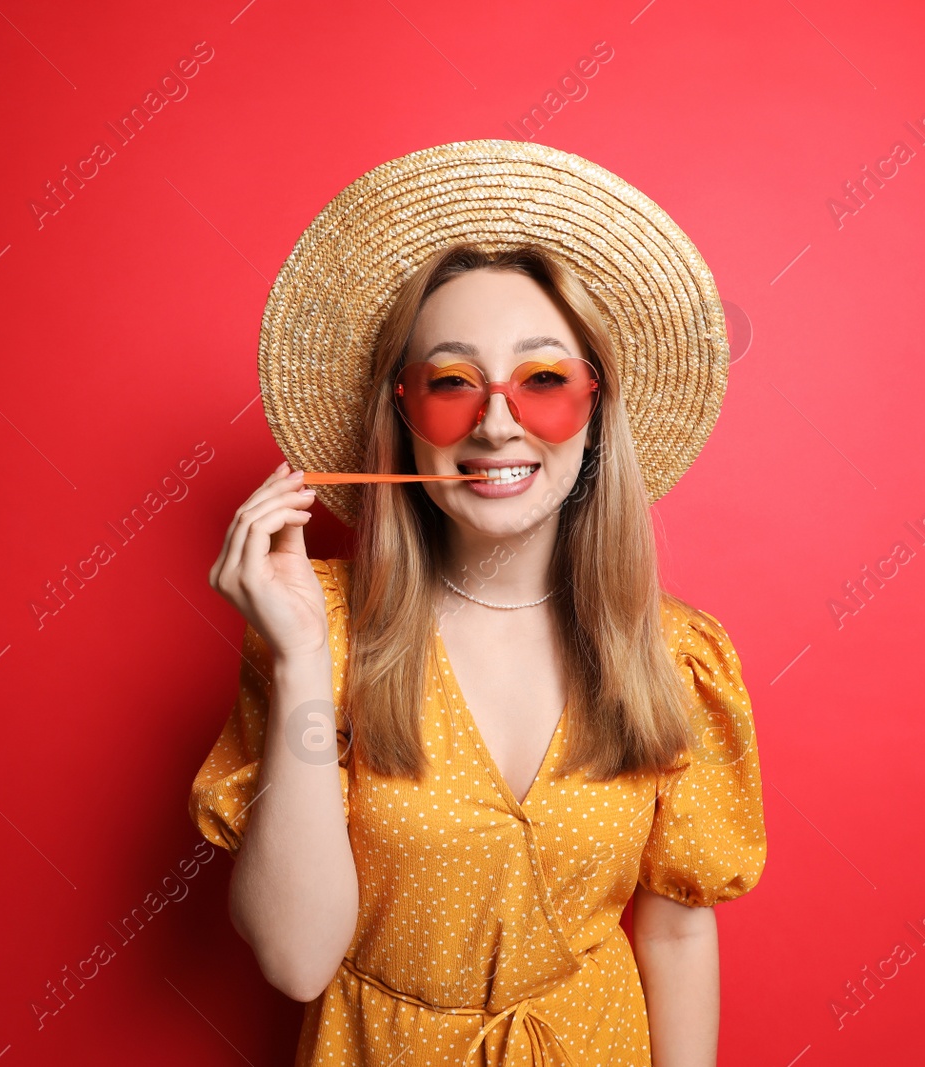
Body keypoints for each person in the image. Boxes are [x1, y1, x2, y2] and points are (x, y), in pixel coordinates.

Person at [190, 141, 766, 1067]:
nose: (497, 421)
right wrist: (298, 659)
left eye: (543, 379)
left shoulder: (677, 654)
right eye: (453, 383)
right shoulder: (319, 633)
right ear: (405, 414)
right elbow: (297, 962)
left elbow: (676, 936)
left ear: (597, 408)